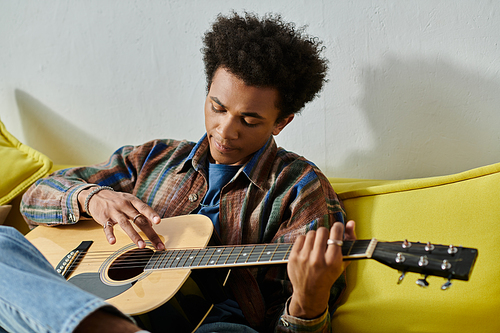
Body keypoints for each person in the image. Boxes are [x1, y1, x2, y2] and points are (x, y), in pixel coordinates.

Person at [1, 11, 356, 333]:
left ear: (281, 122)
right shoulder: (155, 158)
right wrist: (93, 197)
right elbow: (35, 197)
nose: (225, 130)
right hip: (78, 307)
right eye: (217, 107)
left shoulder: (299, 188)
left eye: (249, 120)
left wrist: (308, 304)